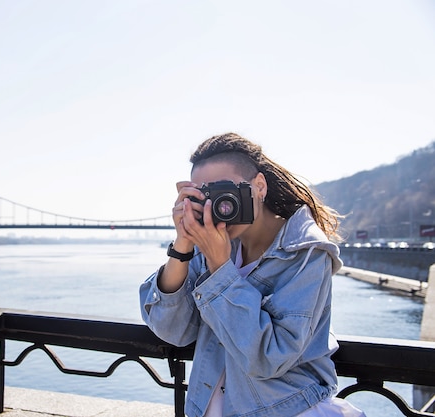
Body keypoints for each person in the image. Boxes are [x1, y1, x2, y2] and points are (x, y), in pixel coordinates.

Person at [139, 133, 366, 417]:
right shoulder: (211, 242)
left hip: (285, 410)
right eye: (204, 197)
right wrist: (183, 243)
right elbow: (172, 330)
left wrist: (220, 267)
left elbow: (268, 358)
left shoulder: (305, 253)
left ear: (259, 186)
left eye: (225, 192)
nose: (217, 207)